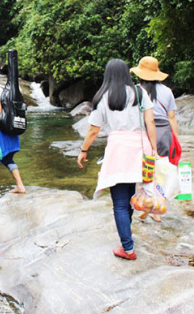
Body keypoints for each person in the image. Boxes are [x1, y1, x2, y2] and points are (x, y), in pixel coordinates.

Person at [77, 59, 158, 260]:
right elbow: (150, 122)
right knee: (131, 194)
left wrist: (83, 150)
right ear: (127, 74)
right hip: (140, 148)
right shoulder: (140, 93)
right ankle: (127, 235)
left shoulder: (103, 96)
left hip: (118, 150)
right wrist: (154, 149)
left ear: (108, 75)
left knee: (120, 202)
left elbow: (94, 129)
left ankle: (127, 248)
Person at [131, 56, 180, 223]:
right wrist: (175, 139)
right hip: (164, 134)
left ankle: (144, 205)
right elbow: (171, 117)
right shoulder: (167, 91)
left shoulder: (135, 90)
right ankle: (157, 209)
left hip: (144, 131)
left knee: (143, 172)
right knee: (161, 172)